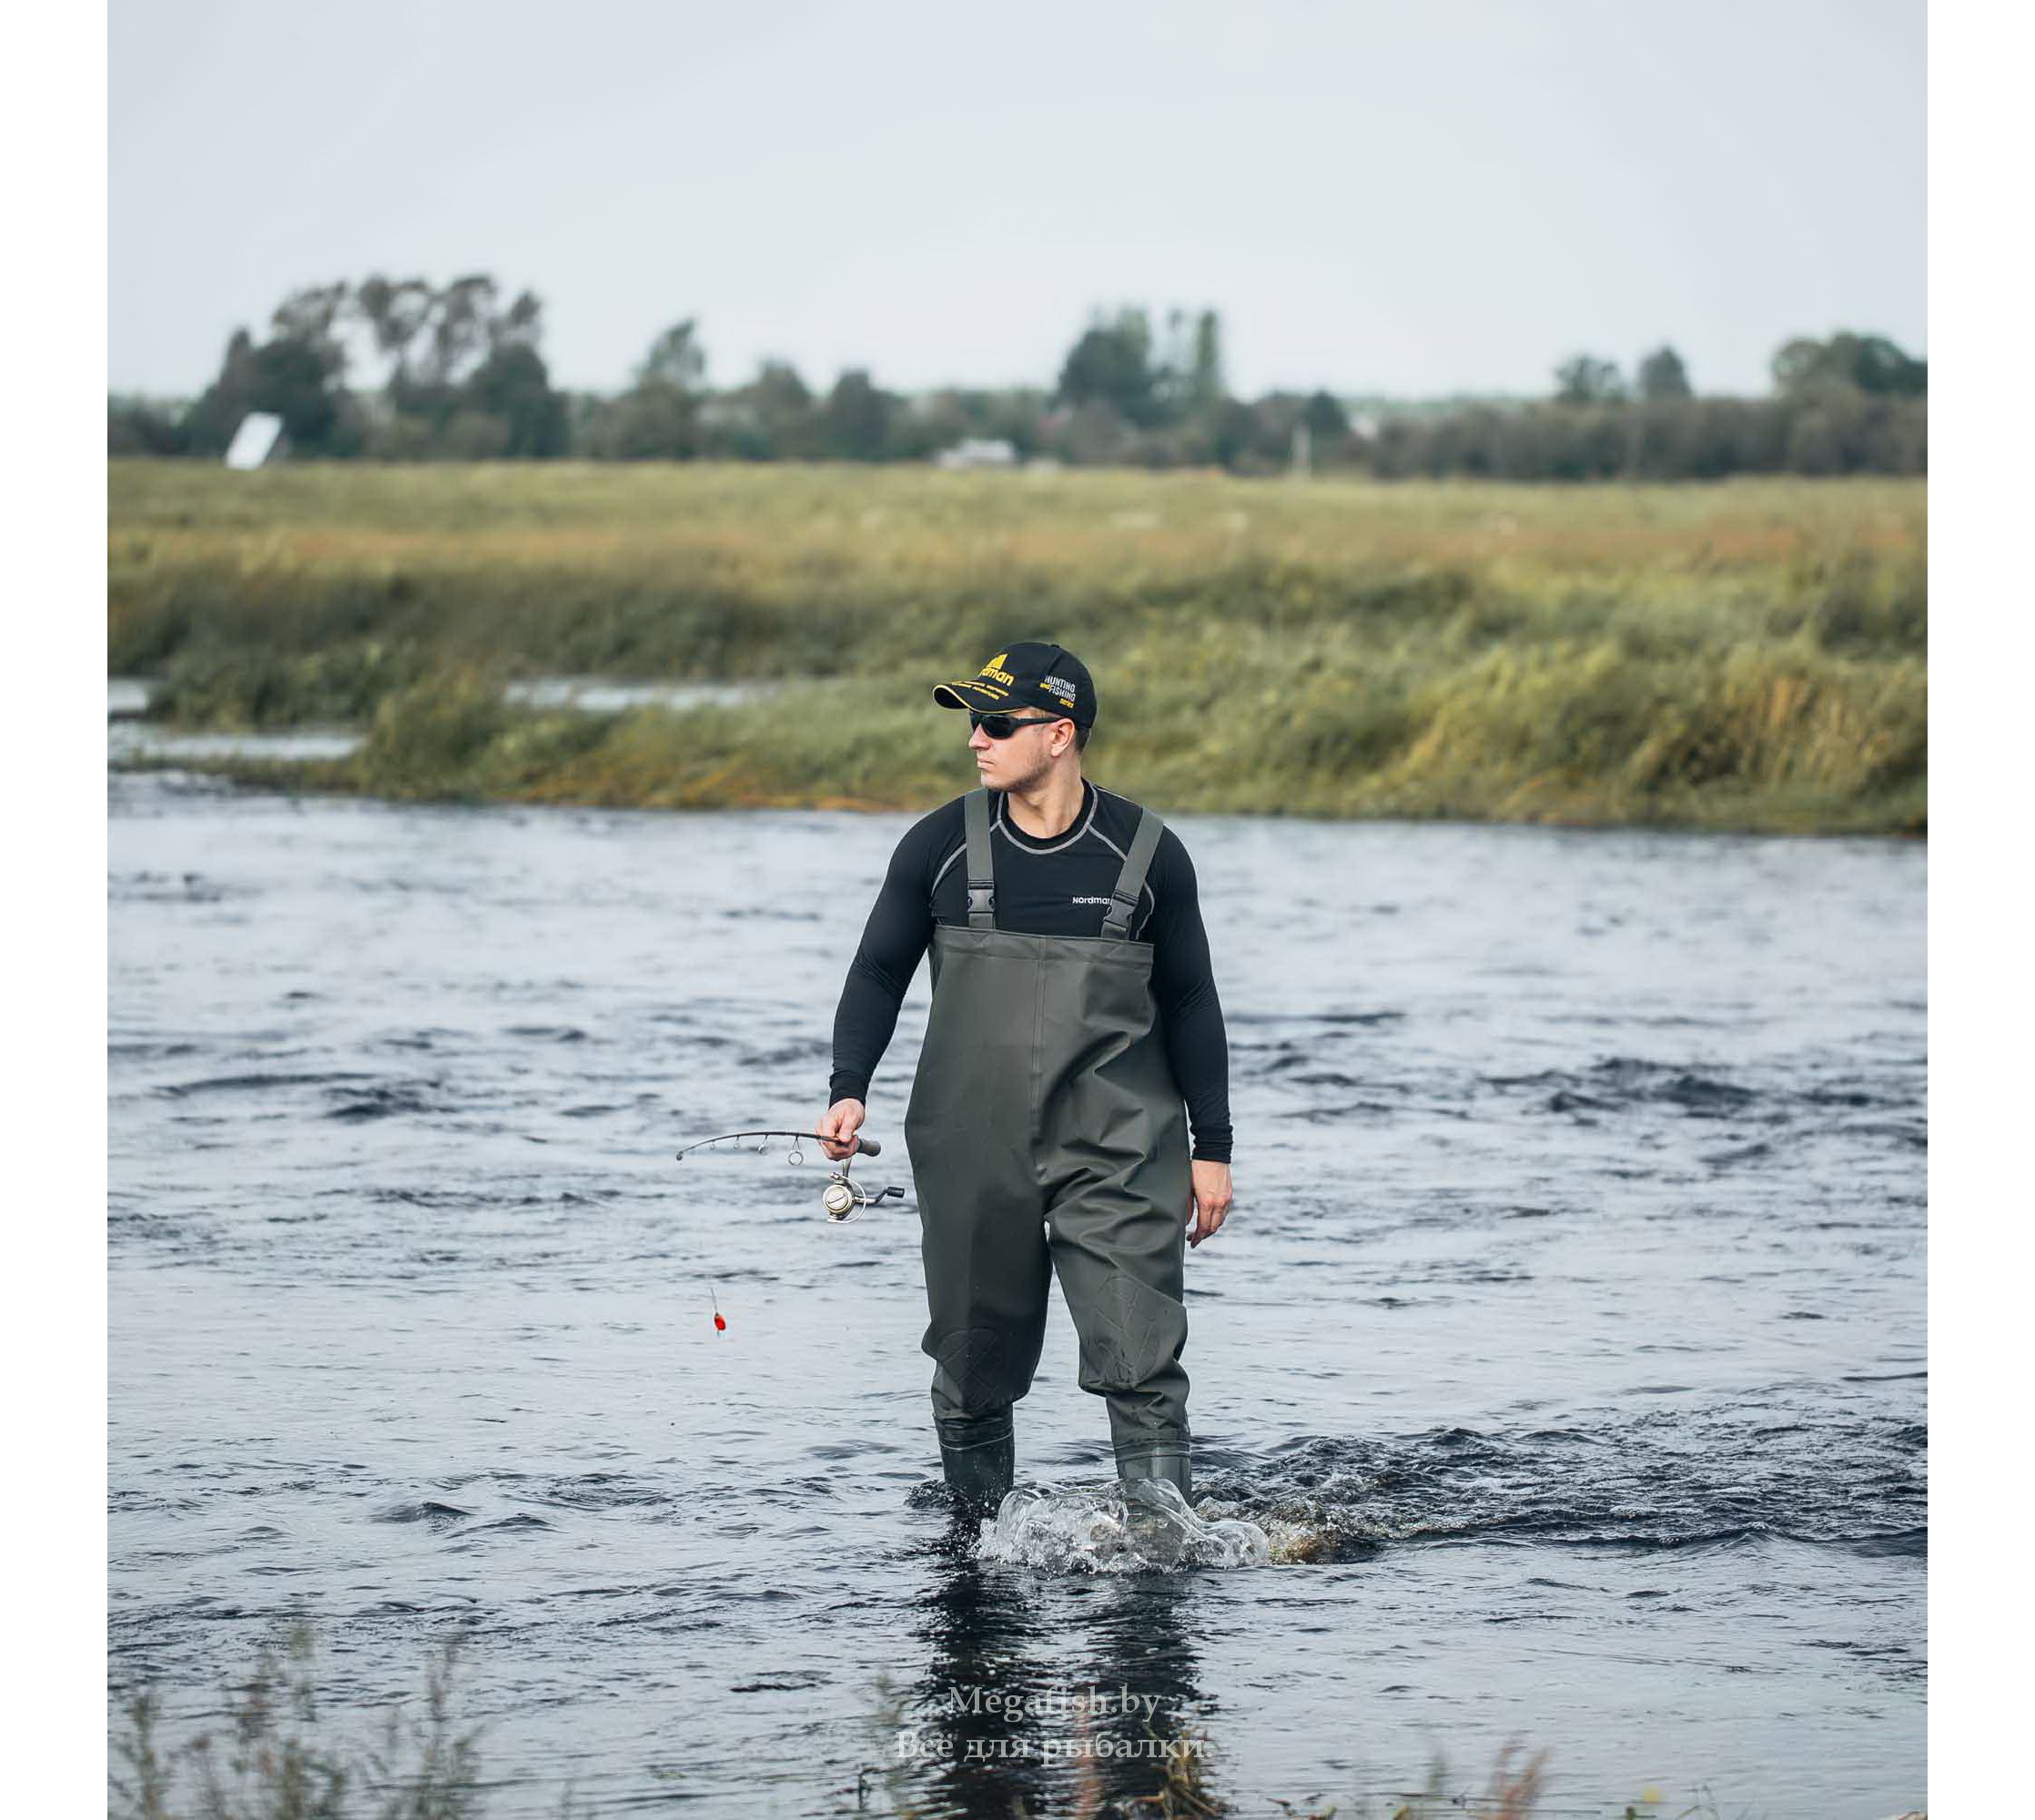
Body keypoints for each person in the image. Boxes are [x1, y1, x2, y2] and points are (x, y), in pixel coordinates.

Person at [817, 642, 1234, 1516]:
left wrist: (1212, 1150)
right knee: (972, 1363)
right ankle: (974, 1553)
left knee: (1141, 1356)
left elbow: (1193, 1001)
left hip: (1121, 1150)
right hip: (971, 1146)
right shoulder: (937, 845)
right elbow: (875, 972)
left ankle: (1162, 1563)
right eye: (971, 719)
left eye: (996, 722)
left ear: (1061, 735)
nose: (976, 738)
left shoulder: (1149, 855)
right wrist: (848, 1086)